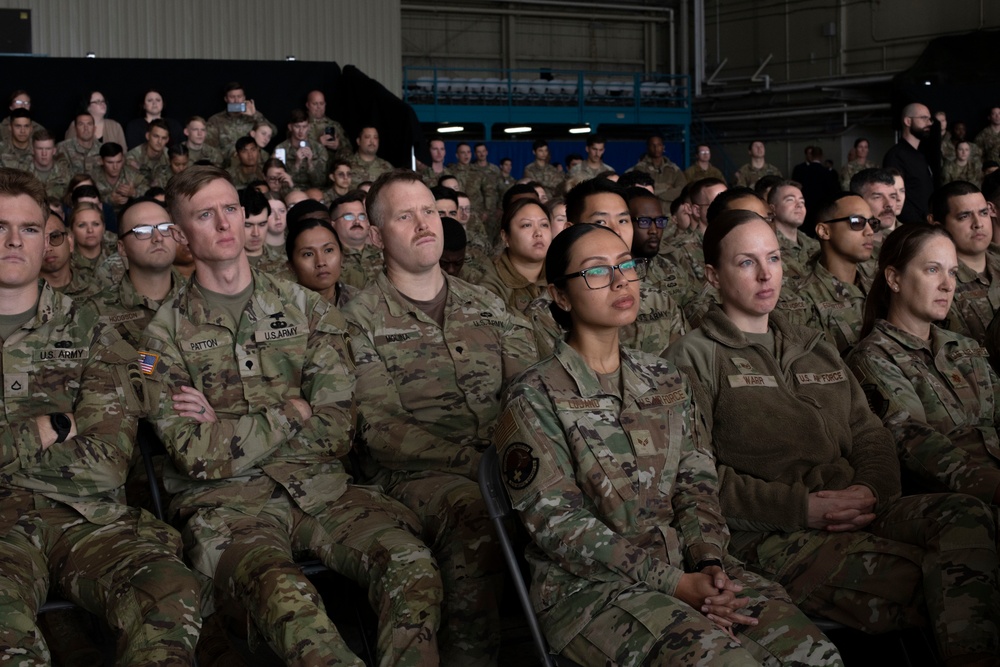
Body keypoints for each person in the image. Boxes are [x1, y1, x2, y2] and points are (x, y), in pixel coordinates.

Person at [496, 221, 842, 666]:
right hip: (593, 593)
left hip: (691, 571)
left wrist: (709, 564)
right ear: (561, 295)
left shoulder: (664, 379)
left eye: (626, 265)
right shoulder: (534, 394)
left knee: (818, 657)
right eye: (597, 271)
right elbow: (559, 527)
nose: (621, 280)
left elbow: (696, 486)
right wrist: (675, 586)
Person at [665, 208, 1000, 666]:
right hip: (778, 534)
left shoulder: (813, 345)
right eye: (746, 263)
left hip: (861, 507)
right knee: (952, 580)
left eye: (775, 259)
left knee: (966, 515)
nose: (766, 275)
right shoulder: (692, 358)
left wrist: (869, 489)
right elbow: (695, 480)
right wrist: (803, 507)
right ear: (712, 275)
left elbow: (870, 434)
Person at [141, 166, 443, 666]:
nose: (223, 223)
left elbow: (336, 430)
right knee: (287, 599)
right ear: (179, 235)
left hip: (323, 490)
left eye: (231, 210)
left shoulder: (308, 310)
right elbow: (195, 456)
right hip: (228, 510)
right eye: (204, 215)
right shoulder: (161, 338)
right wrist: (290, 410)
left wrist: (232, 428)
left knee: (413, 566)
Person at [0, 167, 202, 664]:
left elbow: (107, 463)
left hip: (85, 517)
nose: (13, 241)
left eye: (28, 229)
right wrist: (45, 428)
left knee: (167, 587)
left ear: (47, 239)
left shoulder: (92, 328)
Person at [343, 169, 537, 665]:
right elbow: (380, 430)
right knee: (472, 510)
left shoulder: (487, 305)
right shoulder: (356, 320)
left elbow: (529, 391)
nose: (423, 224)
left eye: (429, 211)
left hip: (503, 461)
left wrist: (520, 456)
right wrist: (480, 462)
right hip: (412, 478)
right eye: (404, 216)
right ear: (376, 233)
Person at [846, 224, 1000, 512]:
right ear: (894, 278)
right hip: (960, 502)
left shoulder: (964, 345)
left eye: (953, 272)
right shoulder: (872, 357)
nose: (948, 284)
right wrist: (994, 486)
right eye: (933, 270)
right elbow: (913, 442)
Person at [790, 194, 879, 356]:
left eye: (872, 223)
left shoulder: (881, 285)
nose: (870, 231)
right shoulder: (801, 298)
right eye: (857, 222)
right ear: (824, 231)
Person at [928, 180, 1000, 344]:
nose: (978, 224)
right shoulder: (937, 282)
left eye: (983, 213)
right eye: (964, 216)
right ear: (940, 227)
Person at [479, 197, 551, 315]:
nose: (538, 233)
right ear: (505, 237)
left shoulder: (564, 272)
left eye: (544, 224)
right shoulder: (489, 283)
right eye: (527, 225)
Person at [285, 204, 356, 307]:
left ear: (341, 257)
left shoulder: (362, 303)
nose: (321, 262)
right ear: (291, 266)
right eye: (308, 254)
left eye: (328, 250)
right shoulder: (280, 308)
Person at [884, 102, 935, 224]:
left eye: (929, 119)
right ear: (908, 121)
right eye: (923, 118)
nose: (929, 123)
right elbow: (894, 195)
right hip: (912, 228)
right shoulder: (896, 155)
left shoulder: (920, 155)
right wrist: (917, 225)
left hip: (926, 225)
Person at [330, 190, 383, 289]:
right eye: (349, 216)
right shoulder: (329, 259)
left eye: (362, 216)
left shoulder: (384, 253)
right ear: (333, 224)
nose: (357, 221)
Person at [205, 81, 273, 154]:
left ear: (244, 98)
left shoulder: (255, 115)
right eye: (232, 97)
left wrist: (255, 115)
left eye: (239, 97)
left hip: (252, 159)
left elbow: (273, 132)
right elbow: (209, 146)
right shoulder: (215, 120)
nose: (236, 101)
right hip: (227, 162)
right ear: (226, 99)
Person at [626, 134, 686, 206]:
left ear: (663, 147)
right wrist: (666, 187)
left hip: (669, 211)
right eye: (653, 145)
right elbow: (642, 190)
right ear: (648, 147)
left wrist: (659, 195)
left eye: (659, 145)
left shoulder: (674, 169)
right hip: (648, 209)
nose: (656, 148)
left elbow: (682, 189)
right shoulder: (641, 167)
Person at [276, 109, 328, 189]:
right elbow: (279, 182)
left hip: (313, 191)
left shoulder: (319, 149)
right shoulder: (281, 149)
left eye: (304, 127)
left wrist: (310, 163)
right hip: (290, 190)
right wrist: (296, 164)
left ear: (309, 127)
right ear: (290, 127)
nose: (301, 131)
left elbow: (320, 183)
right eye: (297, 127)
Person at [125, 118, 172, 188]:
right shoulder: (133, 157)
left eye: (164, 138)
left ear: (167, 140)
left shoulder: (171, 157)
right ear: (147, 136)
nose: (159, 141)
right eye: (156, 136)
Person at [304, 90, 350, 160]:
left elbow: (350, 149)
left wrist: (338, 145)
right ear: (308, 105)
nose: (319, 107)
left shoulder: (335, 125)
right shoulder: (300, 126)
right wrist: (318, 144)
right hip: (312, 168)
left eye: (321, 103)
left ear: (325, 104)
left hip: (334, 167)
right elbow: (294, 150)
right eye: (315, 104)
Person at [56, 111, 102, 175]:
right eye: (81, 124)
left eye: (89, 124)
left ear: (94, 129)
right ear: (75, 128)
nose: (86, 128)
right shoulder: (62, 148)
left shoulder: (103, 150)